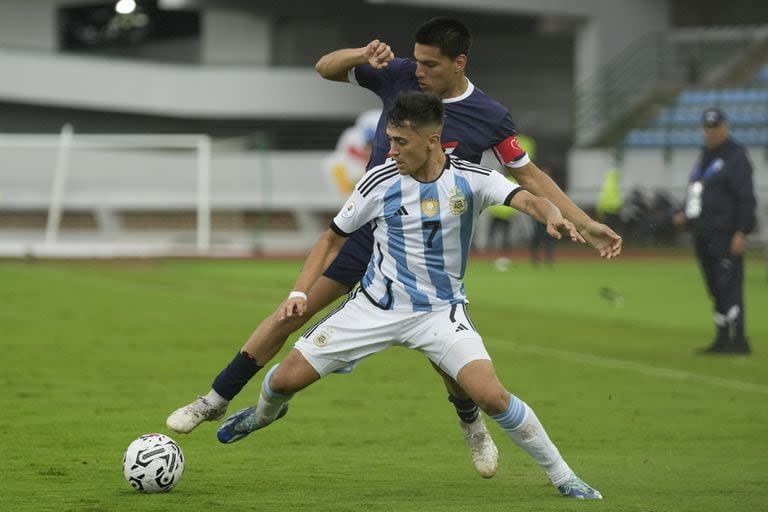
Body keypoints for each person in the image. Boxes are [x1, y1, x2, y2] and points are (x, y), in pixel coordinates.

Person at [167, 17, 622, 479]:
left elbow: (530, 176)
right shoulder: (400, 74)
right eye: (416, 59)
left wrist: (586, 222)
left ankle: (471, 425)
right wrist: (363, 55)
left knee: (442, 350)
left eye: (430, 63)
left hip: (429, 249)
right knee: (293, 311)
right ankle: (215, 400)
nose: (418, 70)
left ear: (458, 62)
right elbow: (325, 67)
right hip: (367, 232)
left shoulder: (489, 115)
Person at [215, 92, 602, 499]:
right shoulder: (379, 181)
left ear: (432, 140)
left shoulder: (472, 178)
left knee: (491, 395)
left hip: (440, 313)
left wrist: (552, 213)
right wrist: (299, 291)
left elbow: (523, 197)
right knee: (283, 381)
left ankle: (564, 477)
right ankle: (262, 415)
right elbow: (331, 240)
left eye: (401, 142)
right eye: (390, 140)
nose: (390, 150)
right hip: (374, 307)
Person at [674, 107, 757, 354]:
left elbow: (745, 198)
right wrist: (686, 216)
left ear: (725, 127)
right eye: (707, 128)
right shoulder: (705, 157)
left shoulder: (736, 157)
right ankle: (722, 337)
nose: (711, 132)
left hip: (726, 233)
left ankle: (739, 339)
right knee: (715, 287)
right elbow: (698, 194)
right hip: (703, 233)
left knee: (729, 284)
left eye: (716, 127)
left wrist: (742, 231)